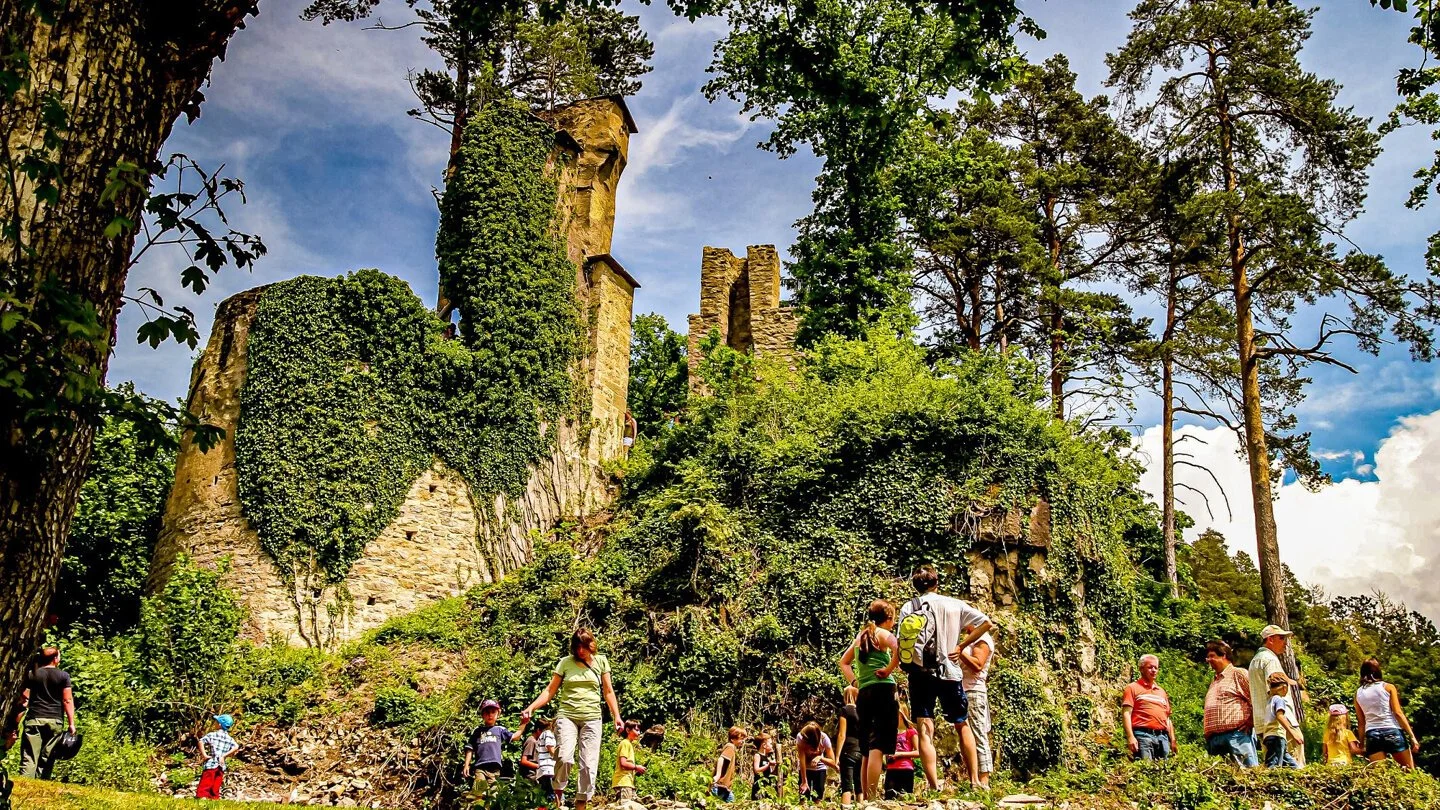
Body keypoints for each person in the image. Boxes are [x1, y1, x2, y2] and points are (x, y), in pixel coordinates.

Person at [897, 566, 994, 790]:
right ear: (936, 583)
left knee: (924, 727)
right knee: (962, 724)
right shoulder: (954, 604)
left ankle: (933, 786)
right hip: (950, 671)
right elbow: (987, 623)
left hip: (920, 674)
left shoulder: (908, 607)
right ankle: (975, 781)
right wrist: (961, 646)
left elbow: (903, 639)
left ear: (915, 586)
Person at [522, 629, 625, 810]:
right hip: (567, 716)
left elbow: (608, 691)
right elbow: (549, 690)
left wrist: (617, 716)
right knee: (564, 756)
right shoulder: (565, 663)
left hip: (592, 718)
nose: (580, 651)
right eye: (577, 647)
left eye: (584, 647)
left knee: (588, 764)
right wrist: (532, 707)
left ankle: (581, 802)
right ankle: (558, 793)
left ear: (590, 645)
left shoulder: (601, 661)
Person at [839, 599, 900, 800]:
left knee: (866, 747)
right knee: (878, 746)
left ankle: (865, 797)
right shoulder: (883, 634)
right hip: (884, 690)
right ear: (888, 618)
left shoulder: (861, 637)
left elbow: (844, 662)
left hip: (864, 693)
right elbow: (900, 648)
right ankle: (873, 797)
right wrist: (889, 669)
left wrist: (856, 682)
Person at [17, 647, 75, 780]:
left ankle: (26, 782)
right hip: (54, 720)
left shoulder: (32, 674)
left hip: (34, 718)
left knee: (30, 754)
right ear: (55, 659)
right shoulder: (63, 676)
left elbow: (24, 698)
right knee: (48, 755)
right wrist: (71, 723)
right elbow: (67, 700)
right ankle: (43, 781)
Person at [1202, 640, 1258, 768]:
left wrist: (1251, 721)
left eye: (1212, 656)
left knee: (1246, 775)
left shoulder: (1238, 673)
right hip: (1215, 740)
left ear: (1224, 656)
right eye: (1208, 657)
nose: (1208, 660)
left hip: (1236, 736)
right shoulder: (1215, 680)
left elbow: (1256, 698)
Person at [1355, 658, 1420, 768]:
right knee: (1409, 773)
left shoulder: (1358, 693)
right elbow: (1398, 712)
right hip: (1392, 730)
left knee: (1380, 777)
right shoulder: (1388, 687)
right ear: (1378, 670)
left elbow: (1361, 722)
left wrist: (1361, 744)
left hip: (1372, 734)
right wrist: (1412, 736)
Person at [1248, 626, 1303, 756]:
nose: (1285, 643)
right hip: (1280, 725)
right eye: (1282, 638)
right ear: (1270, 639)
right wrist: (1290, 728)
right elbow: (1276, 691)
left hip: (1263, 724)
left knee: (1273, 768)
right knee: (1295, 767)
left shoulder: (1254, 661)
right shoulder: (1270, 660)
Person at [955, 623, 994, 785]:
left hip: (974, 691)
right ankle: (974, 779)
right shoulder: (971, 641)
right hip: (963, 690)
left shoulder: (982, 639)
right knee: (966, 736)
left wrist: (959, 651)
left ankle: (984, 781)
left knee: (978, 734)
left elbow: (978, 665)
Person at [1122, 654, 1176, 761]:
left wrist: (1173, 740)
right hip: (1143, 735)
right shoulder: (1132, 688)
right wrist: (1130, 737)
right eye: (1150, 667)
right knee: (1145, 771)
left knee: (1163, 773)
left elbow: (1167, 719)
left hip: (1162, 737)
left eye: (1156, 667)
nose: (1154, 670)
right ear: (1141, 669)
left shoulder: (1161, 692)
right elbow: (1126, 713)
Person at [463, 699, 529, 787]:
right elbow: (470, 749)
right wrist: (466, 765)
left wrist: (523, 724)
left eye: (493, 712)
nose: (490, 715)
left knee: (493, 795)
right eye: (487, 712)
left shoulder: (500, 730)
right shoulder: (477, 731)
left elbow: (515, 737)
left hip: (495, 769)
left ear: (498, 714)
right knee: (479, 793)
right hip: (480, 768)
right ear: (482, 715)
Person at [1261, 672, 1302, 768]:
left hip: (1269, 736)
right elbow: (1280, 716)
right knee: (1273, 766)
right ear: (1284, 688)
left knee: (1289, 763)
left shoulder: (1269, 701)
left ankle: (1298, 771)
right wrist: (1293, 733)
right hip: (1276, 736)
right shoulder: (1279, 700)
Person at [196, 714, 240, 800]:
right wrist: (224, 755)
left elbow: (201, 741)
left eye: (216, 722)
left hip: (212, 762)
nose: (215, 723)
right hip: (221, 764)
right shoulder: (229, 738)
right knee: (216, 783)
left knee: (206, 781)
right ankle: (214, 797)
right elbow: (236, 747)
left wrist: (204, 755)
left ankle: (202, 797)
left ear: (219, 724)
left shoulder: (213, 735)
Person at [795, 721, 837, 803]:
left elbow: (833, 762)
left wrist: (820, 758)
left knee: (818, 798)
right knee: (803, 798)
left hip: (820, 769)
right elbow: (802, 760)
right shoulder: (800, 737)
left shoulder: (824, 739)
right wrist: (804, 781)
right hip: (805, 769)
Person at [834, 685, 863, 807]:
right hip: (861, 751)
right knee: (859, 785)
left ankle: (845, 807)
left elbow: (842, 734)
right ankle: (861, 806)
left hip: (848, 751)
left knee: (847, 785)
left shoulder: (845, 710)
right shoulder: (863, 712)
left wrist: (837, 756)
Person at [883, 711, 919, 799]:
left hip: (906, 769)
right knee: (889, 797)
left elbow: (918, 752)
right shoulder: (889, 732)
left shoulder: (911, 731)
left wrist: (899, 754)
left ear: (901, 716)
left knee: (905, 797)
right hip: (891, 769)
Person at [613, 720, 646, 803]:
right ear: (628, 730)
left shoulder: (629, 744)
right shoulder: (625, 743)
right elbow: (623, 763)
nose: (639, 733)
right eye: (636, 730)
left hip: (628, 782)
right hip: (623, 782)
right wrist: (636, 767)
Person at [711, 726, 745, 802]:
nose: (743, 741)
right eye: (741, 739)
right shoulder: (730, 747)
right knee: (732, 803)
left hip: (723, 786)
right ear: (733, 739)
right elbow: (721, 759)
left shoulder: (731, 747)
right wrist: (718, 775)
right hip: (720, 786)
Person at [751, 733, 777, 801]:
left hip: (767, 785)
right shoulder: (757, 756)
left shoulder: (768, 757)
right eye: (770, 744)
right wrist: (768, 765)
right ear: (764, 745)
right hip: (759, 785)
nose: (772, 746)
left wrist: (773, 765)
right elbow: (757, 770)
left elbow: (770, 771)